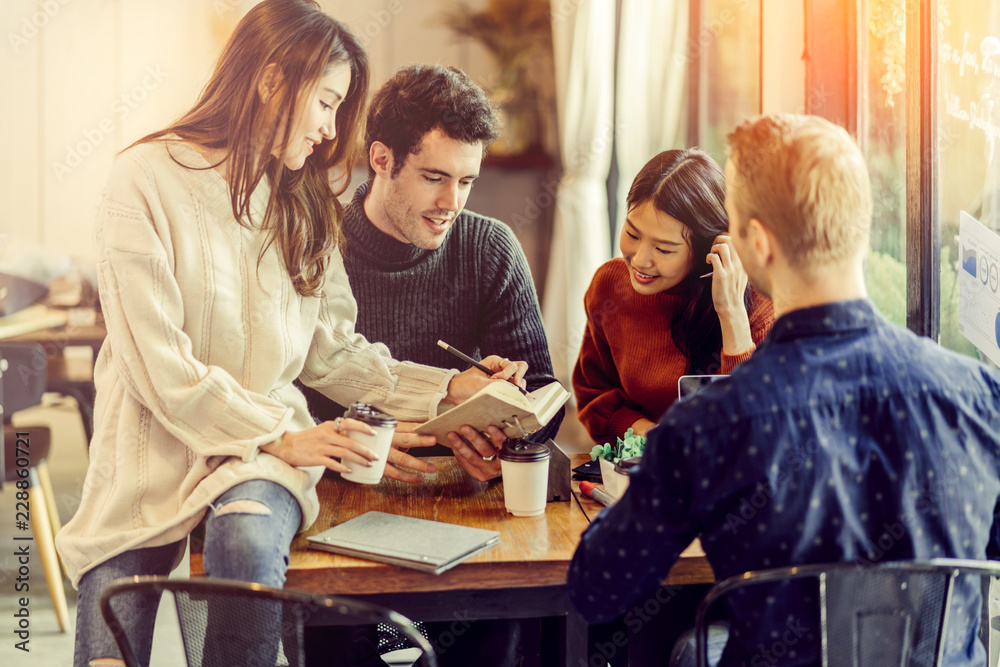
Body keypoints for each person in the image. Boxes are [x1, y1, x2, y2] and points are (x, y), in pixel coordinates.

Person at [55, 3, 526, 666]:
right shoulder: (141, 182)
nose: (333, 130)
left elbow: (333, 352)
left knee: (247, 544)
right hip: (148, 464)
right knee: (108, 645)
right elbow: (161, 369)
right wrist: (283, 433)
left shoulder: (302, 201)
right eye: (328, 103)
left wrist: (450, 388)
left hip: (256, 461)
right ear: (273, 81)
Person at [567, 113, 1000, 667]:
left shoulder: (711, 424)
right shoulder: (978, 396)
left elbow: (595, 588)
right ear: (861, 226)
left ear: (756, 243)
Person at [301, 63, 562, 484]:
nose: (451, 202)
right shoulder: (314, 249)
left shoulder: (490, 248)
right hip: (336, 488)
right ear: (382, 159)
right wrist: (337, 448)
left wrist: (510, 448)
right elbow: (282, 398)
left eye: (466, 181)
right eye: (434, 178)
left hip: (460, 490)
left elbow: (543, 398)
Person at [572, 148, 773, 444]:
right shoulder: (609, 286)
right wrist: (649, 434)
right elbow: (595, 395)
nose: (640, 261)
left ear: (708, 248)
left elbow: (754, 429)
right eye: (632, 233)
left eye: (664, 249)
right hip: (642, 470)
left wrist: (731, 313)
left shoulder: (759, 301)